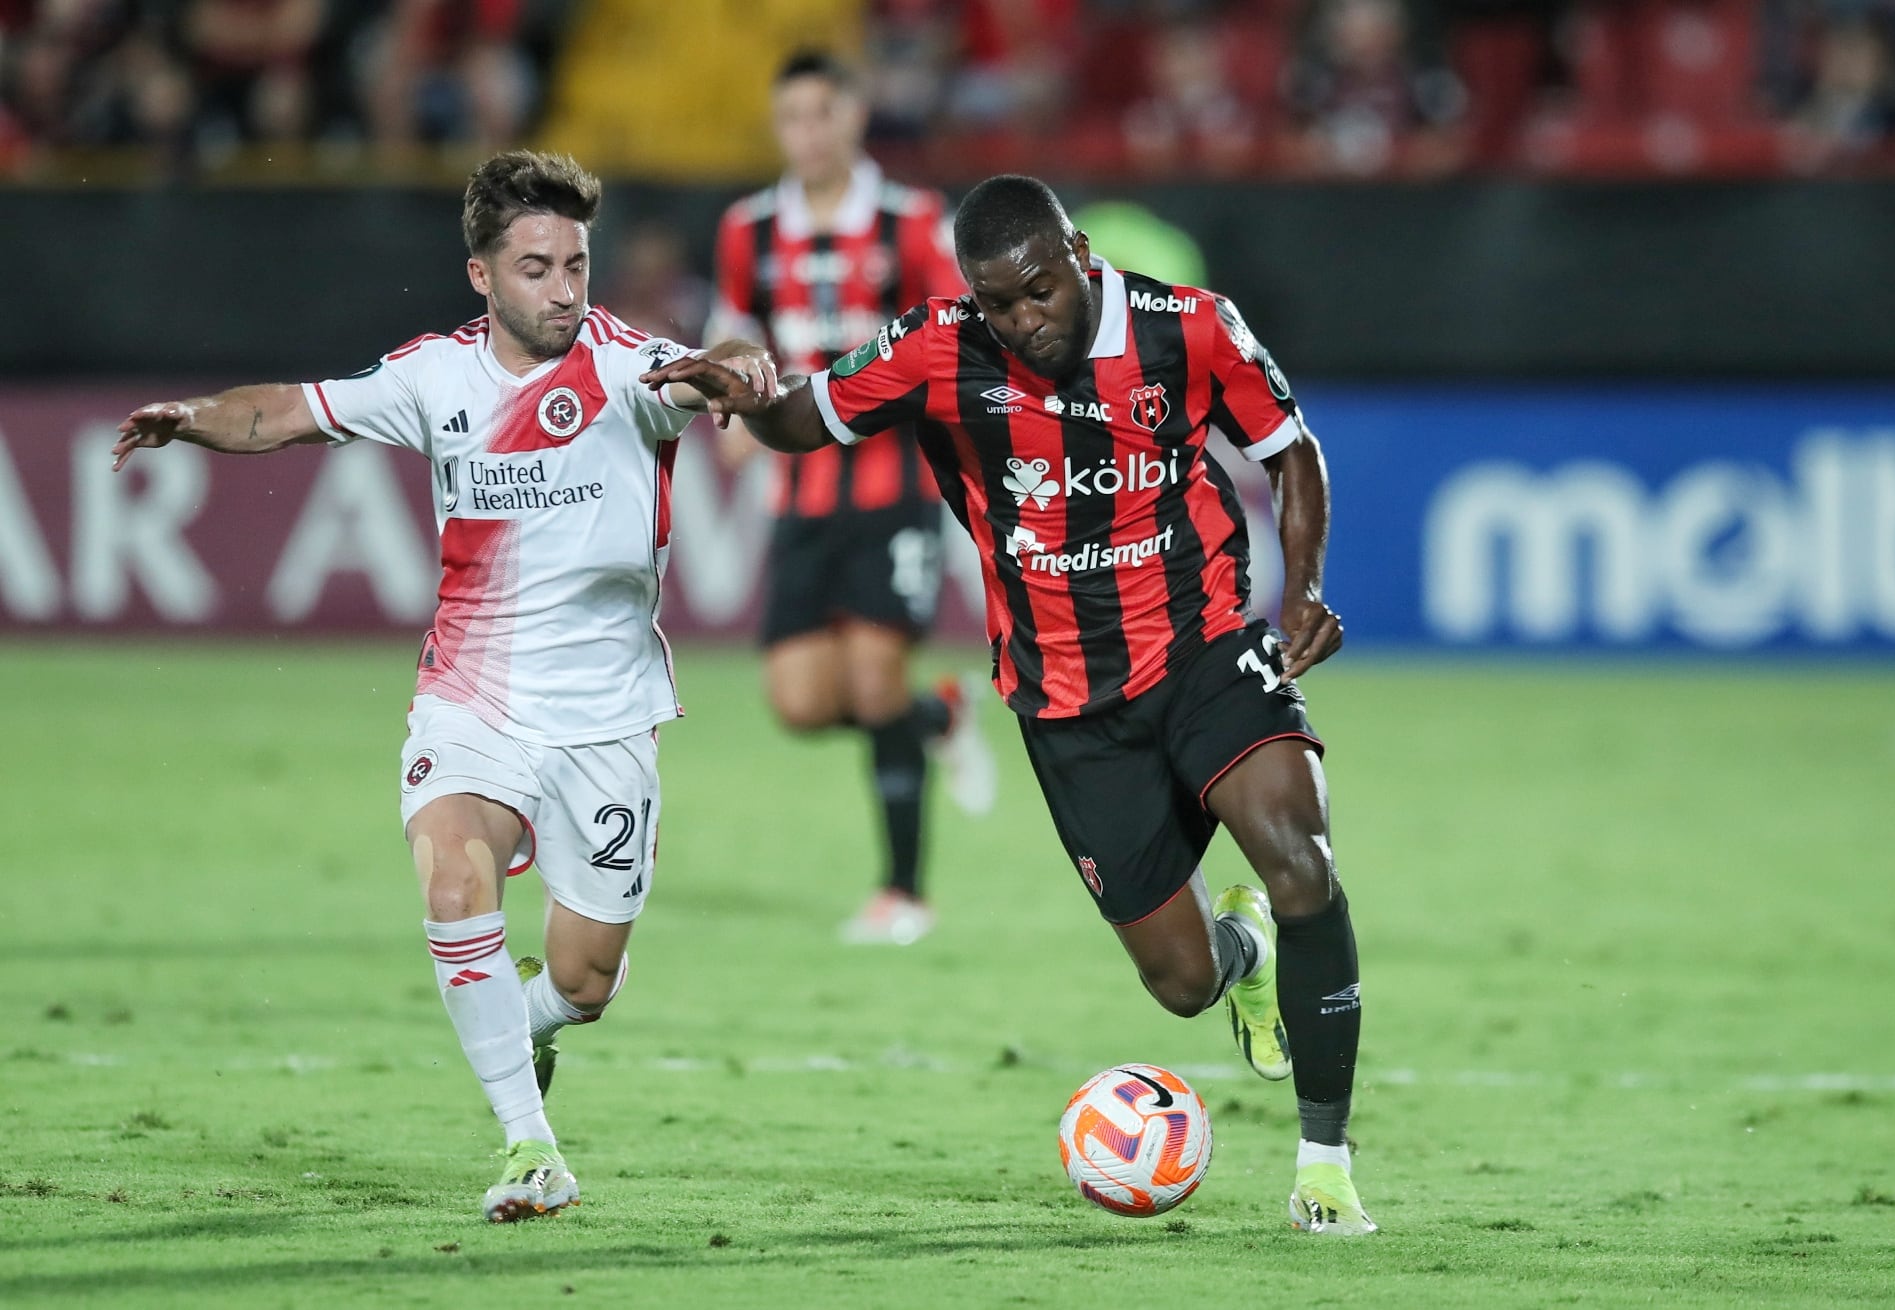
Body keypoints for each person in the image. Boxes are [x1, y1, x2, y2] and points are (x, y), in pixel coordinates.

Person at [649, 174, 1376, 1234]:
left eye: (1038, 291)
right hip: (1066, 696)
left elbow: (1289, 449)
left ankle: (1324, 1161)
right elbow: (808, 415)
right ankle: (1245, 954)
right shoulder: (940, 346)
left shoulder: (1190, 327)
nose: (1023, 321)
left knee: (1299, 856)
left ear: (1079, 254)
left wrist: (1303, 585)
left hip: (1206, 641)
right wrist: (744, 390)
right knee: (1180, 982)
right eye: (999, 304)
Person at [111, 149, 775, 1224]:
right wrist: (190, 413)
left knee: (586, 982)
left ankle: (532, 1024)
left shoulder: (625, 369)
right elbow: (284, 409)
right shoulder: (433, 375)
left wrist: (739, 372)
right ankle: (531, 1145)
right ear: (482, 276)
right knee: (454, 877)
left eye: (576, 263)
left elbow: (719, 360)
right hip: (470, 701)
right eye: (536, 267)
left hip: (605, 720)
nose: (565, 289)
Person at [709, 49, 995, 947]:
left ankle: (903, 893)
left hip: (894, 483)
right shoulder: (748, 229)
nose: (808, 132)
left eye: (822, 113)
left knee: (872, 675)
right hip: (799, 488)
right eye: (791, 116)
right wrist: (728, 388)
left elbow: (956, 333)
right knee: (798, 701)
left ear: (854, 116)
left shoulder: (910, 222)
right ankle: (938, 714)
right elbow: (734, 326)